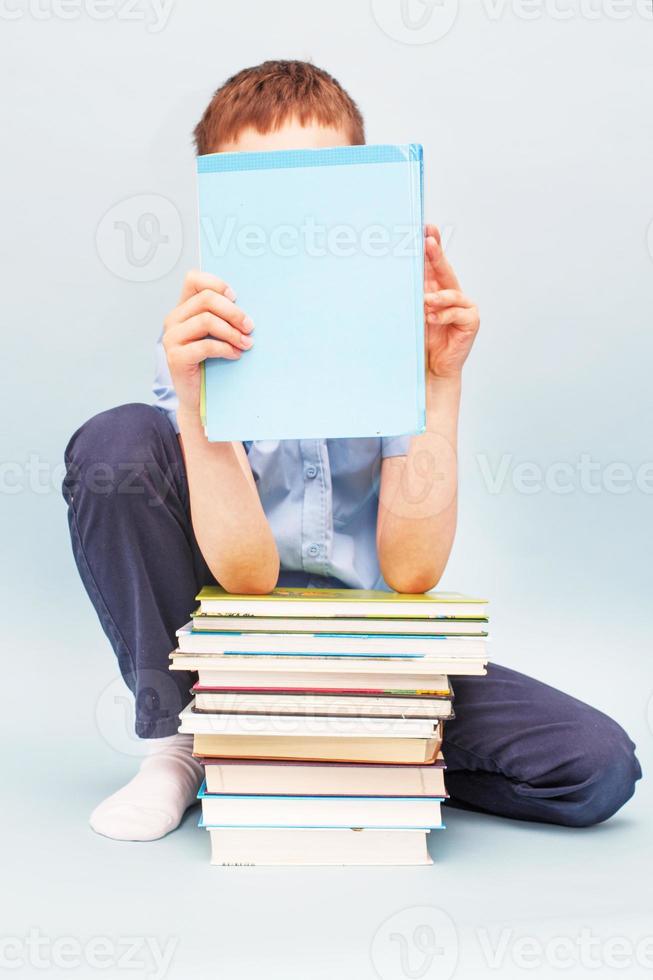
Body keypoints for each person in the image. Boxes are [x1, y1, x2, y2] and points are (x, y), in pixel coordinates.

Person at [63, 60, 640, 842]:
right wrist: (199, 407)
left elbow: (411, 572)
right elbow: (248, 578)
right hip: (225, 656)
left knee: (593, 767)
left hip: (370, 661)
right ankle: (185, 746)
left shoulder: (387, 351)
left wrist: (438, 384)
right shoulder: (199, 352)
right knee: (115, 441)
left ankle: (348, 756)